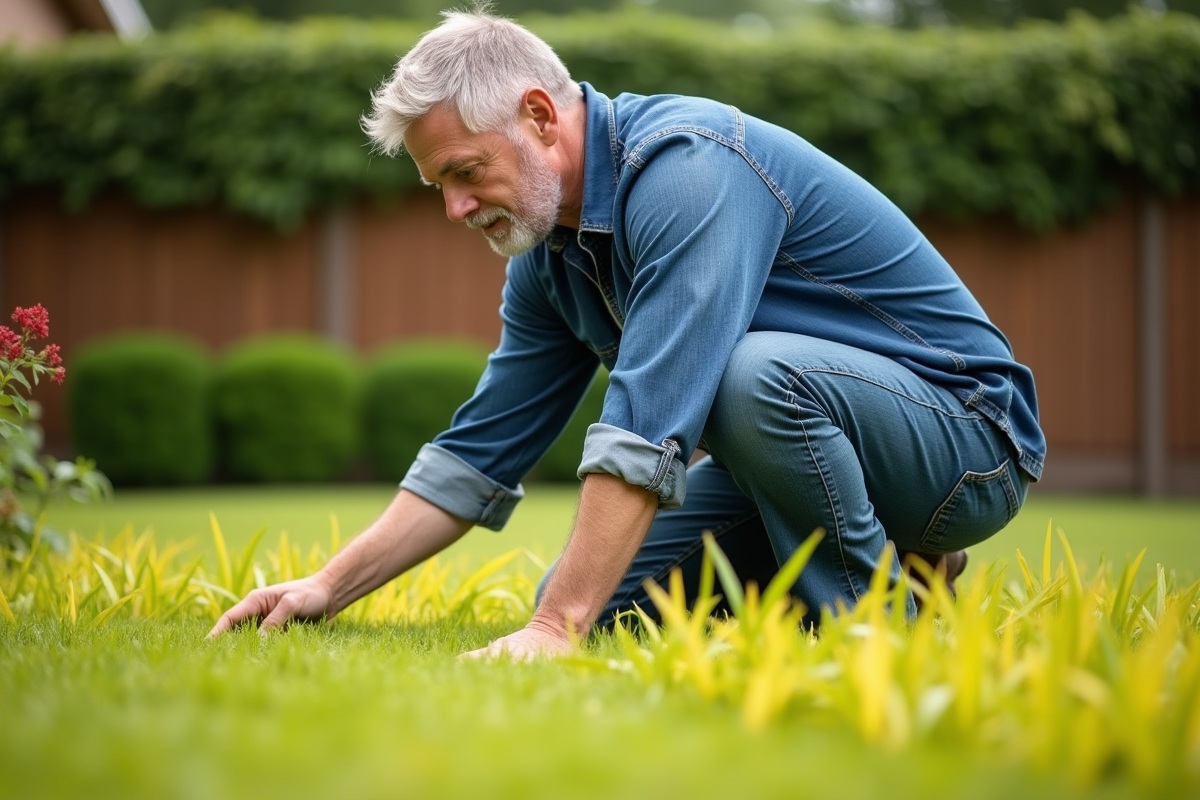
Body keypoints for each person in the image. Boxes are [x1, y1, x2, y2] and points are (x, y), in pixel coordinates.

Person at [207, 7, 1044, 657]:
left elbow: (649, 423)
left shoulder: (689, 171)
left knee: (749, 377)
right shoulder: (550, 257)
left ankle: (881, 626)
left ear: (539, 115)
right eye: (439, 187)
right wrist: (329, 585)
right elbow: (478, 452)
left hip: (968, 441)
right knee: (603, 597)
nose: (456, 209)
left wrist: (554, 631)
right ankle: (905, 568)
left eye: (465, 173)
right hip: (810, 456)